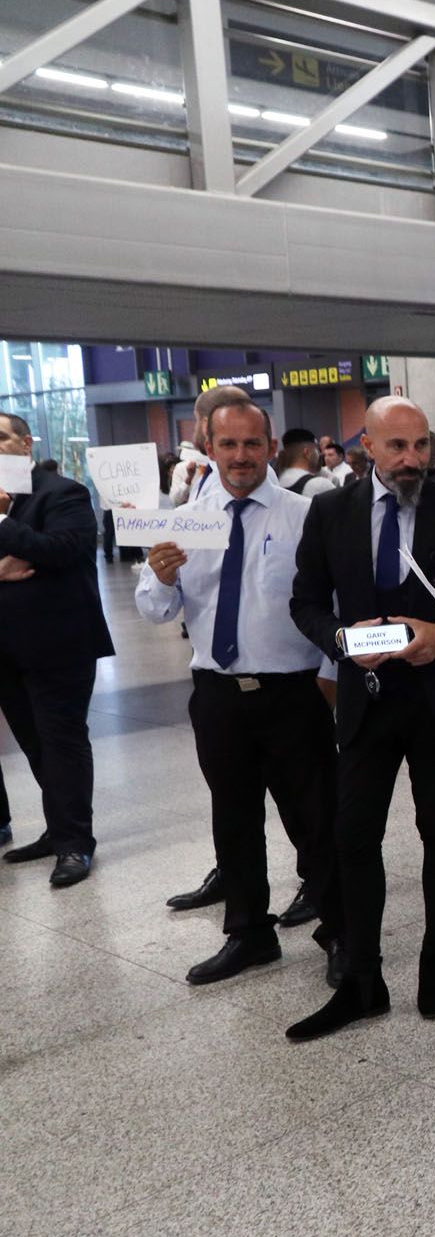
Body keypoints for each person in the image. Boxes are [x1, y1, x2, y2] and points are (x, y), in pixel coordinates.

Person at [285, 397, 435, 1041]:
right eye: (396, 447)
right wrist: (339, 639)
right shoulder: (330, 509)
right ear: (365, 447)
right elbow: (307, 600)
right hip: (365, 698)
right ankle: (363, 978)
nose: (411, 460)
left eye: (422, 446)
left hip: (434, 700)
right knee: (353, 836)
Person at [134, 397, 337, 983]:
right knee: (234, 816)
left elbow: (331, 606)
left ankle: (339, 932)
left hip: (293, 694)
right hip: (218, 694)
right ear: (211, 448)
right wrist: (164, 574)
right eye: (229, 444)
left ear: (270, 447)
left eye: (252, 444)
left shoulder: (304, 516)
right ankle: (249, 934)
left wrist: (328, 680)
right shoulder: (187, 520)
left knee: (315, 819)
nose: (241, 456)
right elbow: (153, 608)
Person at [0, 414, 115, 887]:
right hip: (6, 651)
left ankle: (75, 843)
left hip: (59, 645)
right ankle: (58, 827)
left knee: (61, 742)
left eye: (1, 439)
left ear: (24, 443)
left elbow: (61, 549)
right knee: (34, 744)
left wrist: (3, 520)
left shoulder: (62, 492)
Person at [276, 428, 336, 498]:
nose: (319, 454)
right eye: (316, 449)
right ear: (307, 452)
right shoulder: (319, 484)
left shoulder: (276, 481)